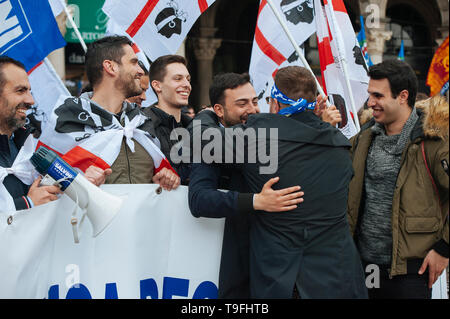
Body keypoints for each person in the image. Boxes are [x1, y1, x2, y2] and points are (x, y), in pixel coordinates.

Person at [187, 73, 305, 298]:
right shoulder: (210, 148)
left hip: (284, 264)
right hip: (237, 263)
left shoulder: (274, 135)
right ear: (219, 111)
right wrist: (256, 201)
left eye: (254, 101)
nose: (252, 109)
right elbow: (199, 200)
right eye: (242, 104)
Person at [348, 59, 449, 299]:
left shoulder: (435, 142)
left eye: (378, 95)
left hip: (412, 271)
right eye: (369, 95)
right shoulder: (363, 138)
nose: (370, 102)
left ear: (403, 96)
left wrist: (444, 249)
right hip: (364, 267)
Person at [40, 36, 179, 190]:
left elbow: (155, 180)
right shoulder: (66, 121)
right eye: (133, 62)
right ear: (110, 67)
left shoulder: (142, 124)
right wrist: (79, 183)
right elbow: (42, 187)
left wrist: (166, 178)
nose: (140, 71)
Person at [0, 56, 61, 209]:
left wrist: (82, 184)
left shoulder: (25, 147)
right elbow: (30, 201)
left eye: (29, 91)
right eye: (20, 91)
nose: (31, 100)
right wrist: (28, 203)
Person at [142, 55, 193, 184]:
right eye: (178, 79)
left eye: (188, 79)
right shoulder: (141, 126)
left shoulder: (195, 128)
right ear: (157, 86)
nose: (186, 85)